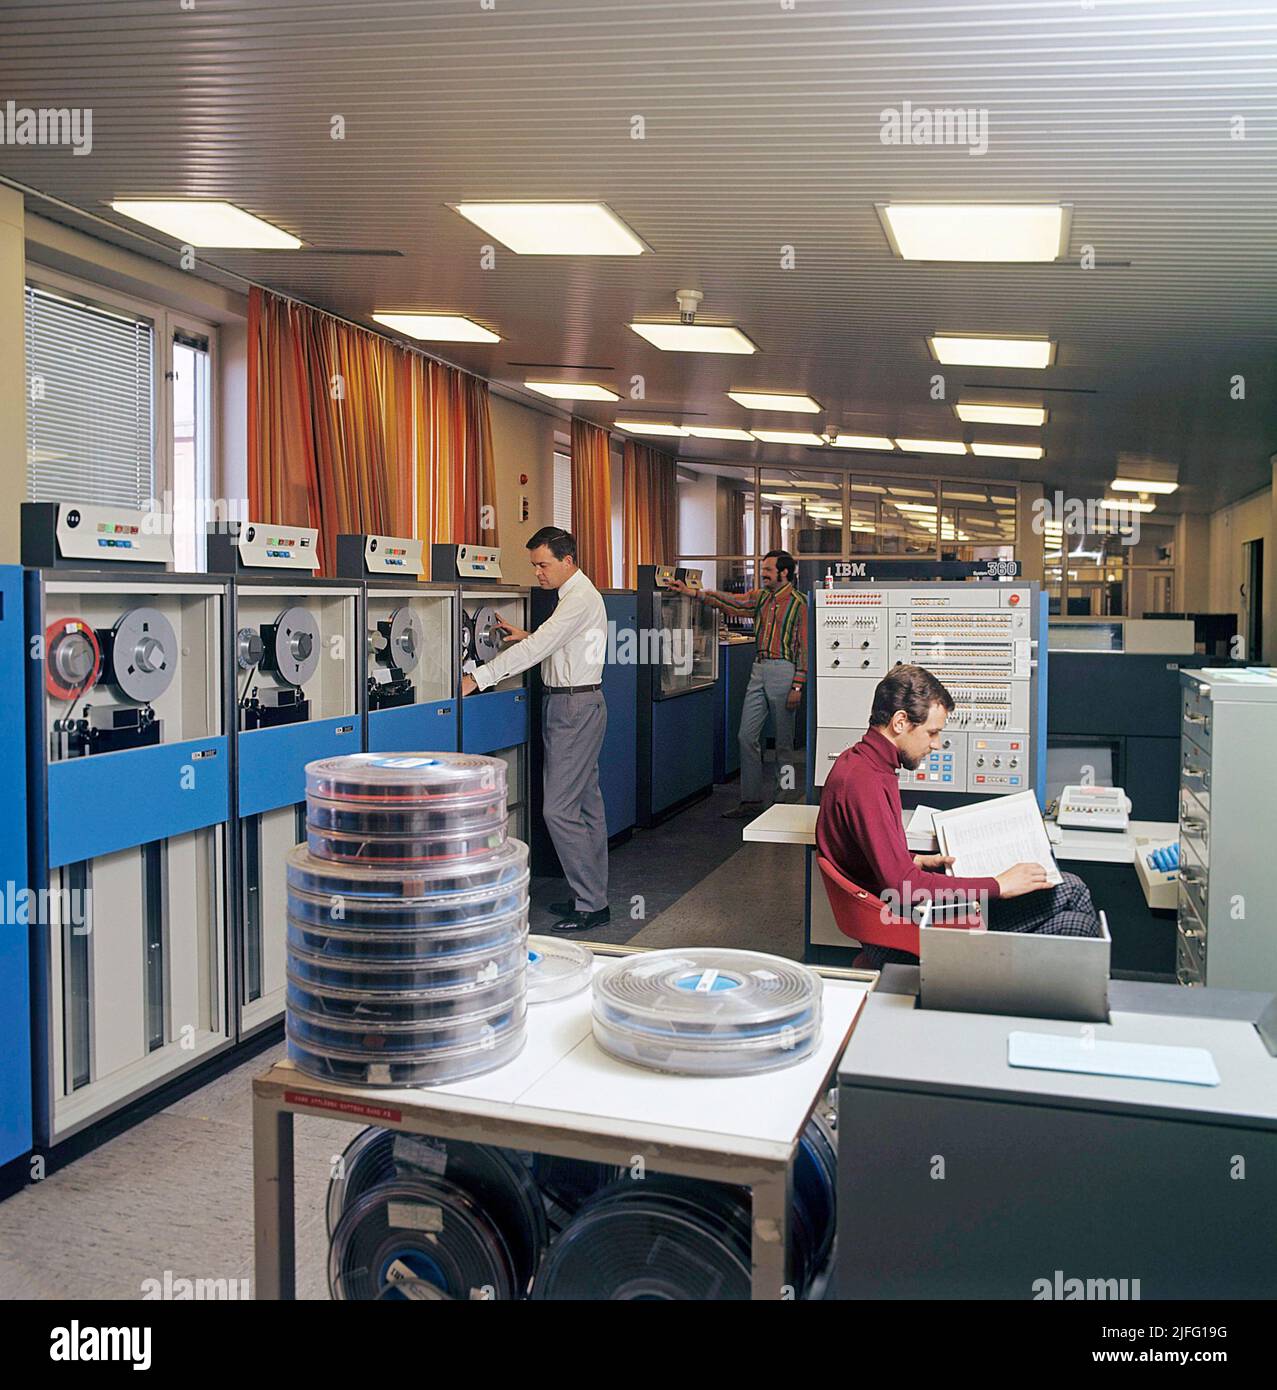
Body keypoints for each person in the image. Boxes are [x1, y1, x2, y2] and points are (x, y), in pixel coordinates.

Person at [815, 663, 1102, 967]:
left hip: (896, 918)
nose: (936, 744)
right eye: (932, 732)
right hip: (901, 935)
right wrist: (998, 885)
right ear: (900, 722)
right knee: (1076, 909)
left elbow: (873, 860)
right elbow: (902, 887)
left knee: (1072, 894)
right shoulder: (866, 781)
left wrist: (912, 859)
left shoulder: (858, 764)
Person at [461, 527, 610, 933]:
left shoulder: (578, 598)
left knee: (557, 810)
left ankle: (592, 904)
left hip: (573, 706)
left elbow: (541, 647)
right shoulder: (577, 597)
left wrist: (480, 676)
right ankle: (592, 897)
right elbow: (558, 643)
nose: (538, 574)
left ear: (567, 560)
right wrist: (528, 636)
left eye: (543, 565)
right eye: (534, 566)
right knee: (586, 806)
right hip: (578, 703)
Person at [669, 549, 808, 820]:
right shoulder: (760, 597)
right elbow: (732, 602)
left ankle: (786, 797)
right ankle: (751, 800)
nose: (763, 574)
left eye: (768, 570)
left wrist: (798, 685)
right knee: (746, 736)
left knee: (783, 743)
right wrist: (695, 593)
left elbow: (804, 648)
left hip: (785, 671)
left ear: (784, 573)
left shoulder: (799, 603)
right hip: (760, 668)